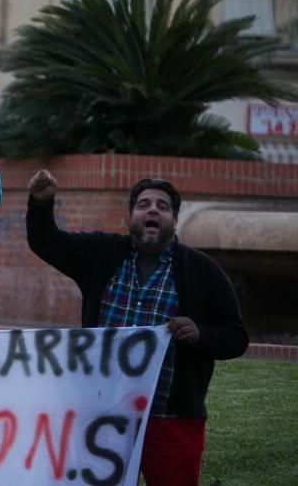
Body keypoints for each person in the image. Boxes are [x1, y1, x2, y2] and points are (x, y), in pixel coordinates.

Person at [26, 171, 249, 486]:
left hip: (172, 419)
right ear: (130, 216)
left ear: (174, 219)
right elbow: (46, 242)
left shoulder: (202, 271)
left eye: (163, 206)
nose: (153, 210)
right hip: (102, 415)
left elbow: (236, 337)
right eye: (143, 204)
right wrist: (41, 203)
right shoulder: (101, 254)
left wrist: (201, 334)